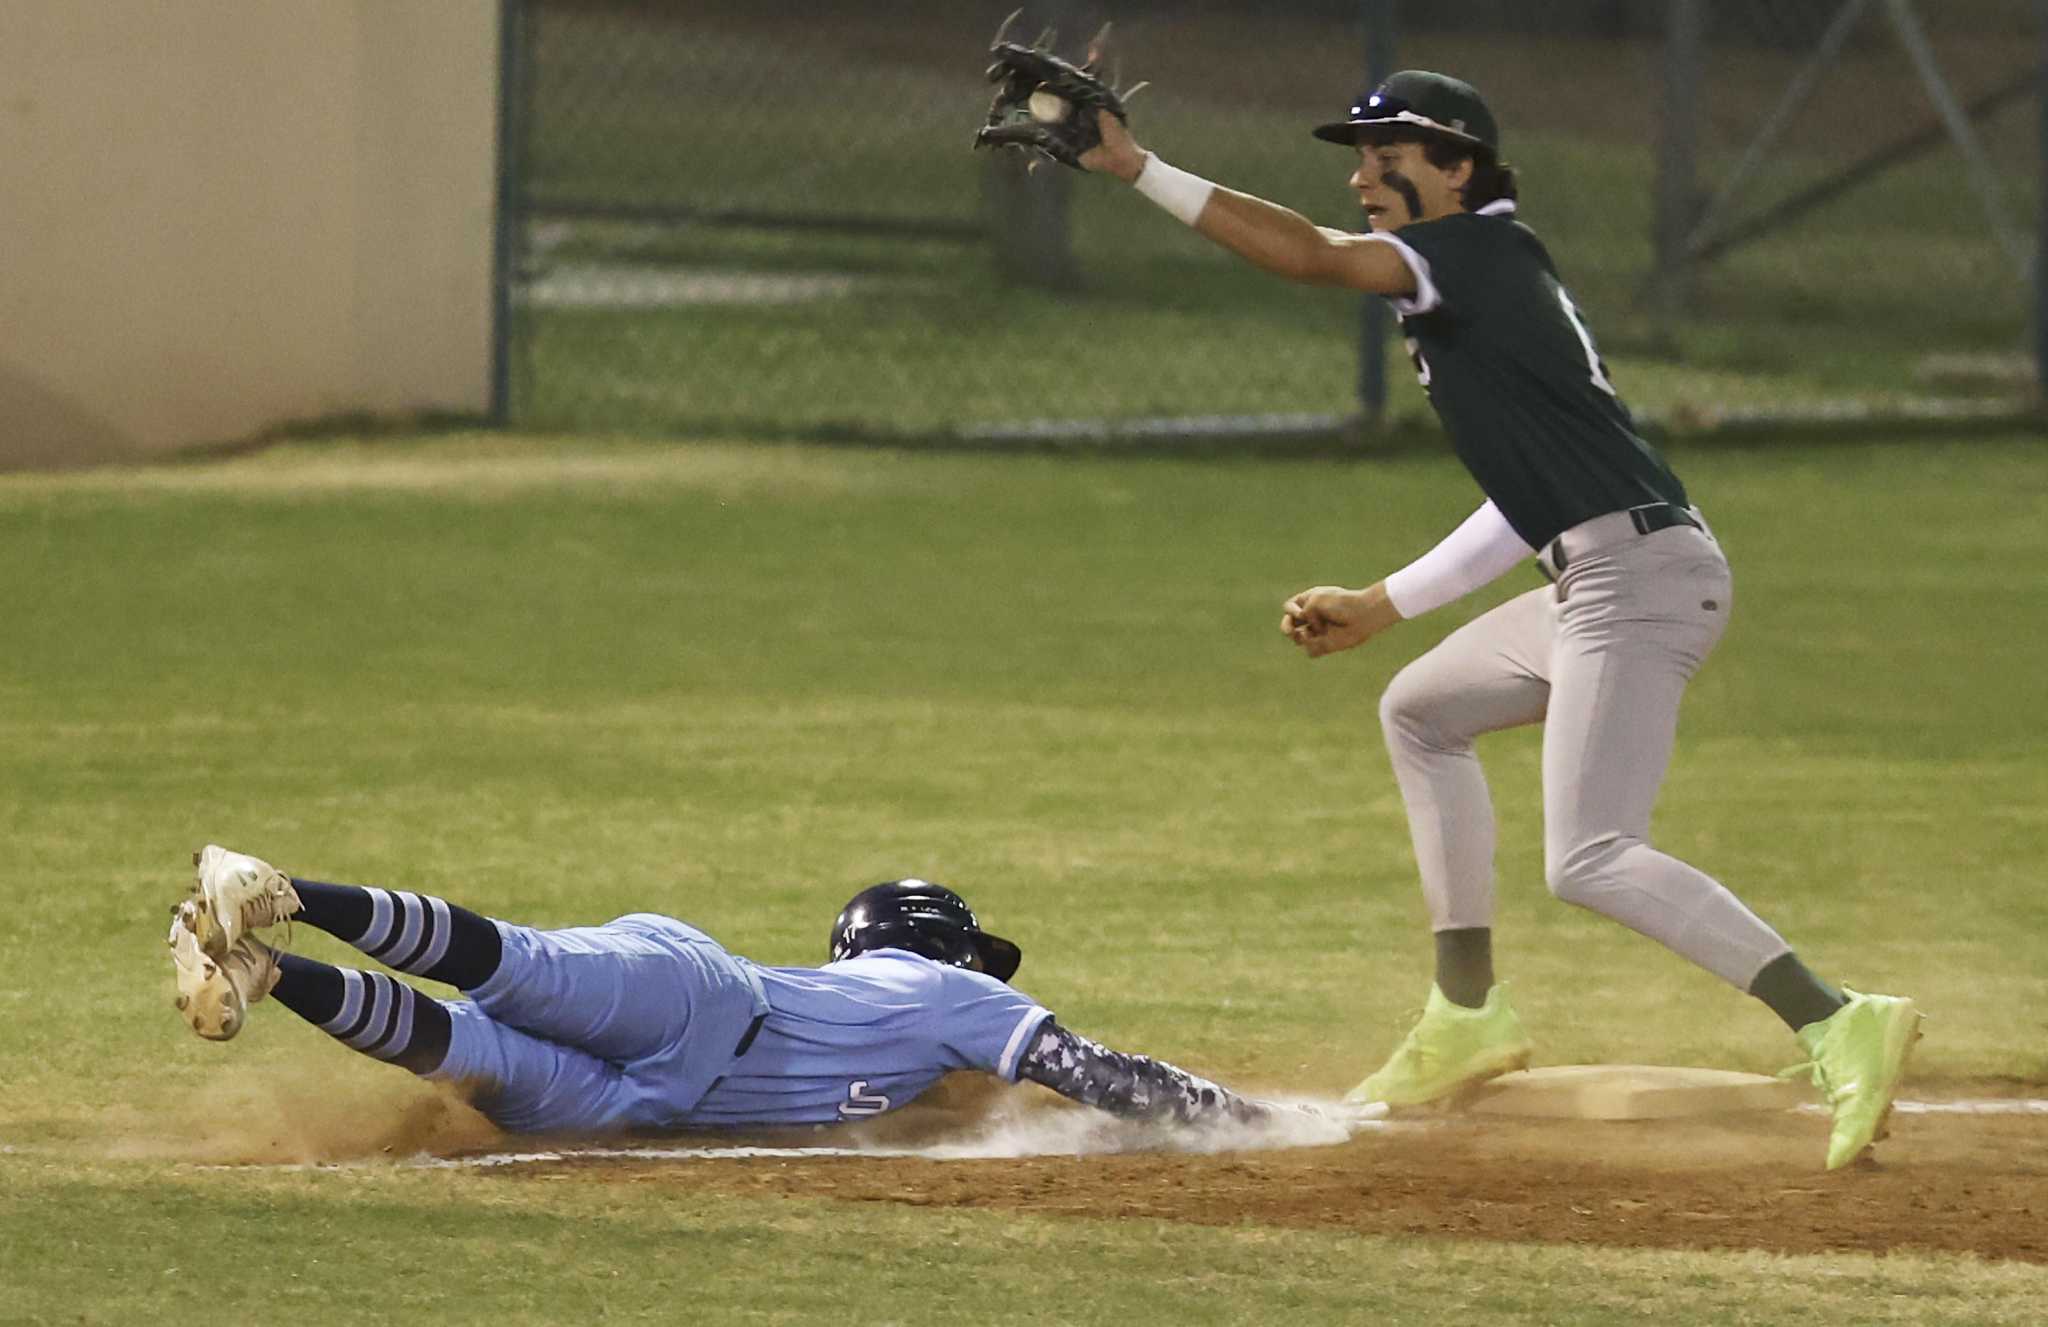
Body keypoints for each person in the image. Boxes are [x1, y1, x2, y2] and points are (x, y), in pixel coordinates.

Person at [1068, 70, 1919, 1168]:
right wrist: (1383, 604)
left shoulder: (1469, 252)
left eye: (1389, 157)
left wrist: (1136, 167)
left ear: (1458, 168)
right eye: (1359, 155)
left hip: (1638, 578)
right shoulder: (1481, 278)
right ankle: (1466, 1014)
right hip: (1601, 571)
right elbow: (1529, 502)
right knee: (1420, 710)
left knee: (1593, 854)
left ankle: (1834, 1015)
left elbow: (1309, 254)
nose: (1362, 176)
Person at [165, 844, 1282, 1134]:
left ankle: (264, 969)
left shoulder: (915, 1053)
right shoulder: (942, 994)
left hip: (655, 1109)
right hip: (700, 997)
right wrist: (1248, 1122)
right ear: (928, 944)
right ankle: (276, 892)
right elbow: (1090, 1070)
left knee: (471, 1050)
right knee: (519, 963)